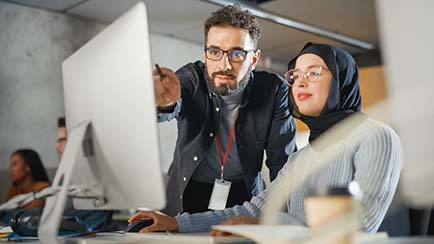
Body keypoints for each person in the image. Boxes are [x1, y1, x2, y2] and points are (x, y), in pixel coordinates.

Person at [128, 42, 403, 234]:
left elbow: (362, 220)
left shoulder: (375, 135)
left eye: (315, 72)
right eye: (295, 75)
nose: (301, 82)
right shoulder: (303, 156)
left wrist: (273, 227)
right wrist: (176, 223)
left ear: (342, 81)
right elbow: (256, 210)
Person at [154, 4, 297, 216]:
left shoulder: (274, 91)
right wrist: (165, 102)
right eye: (214, 52)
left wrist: (288, 217)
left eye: (237, 54)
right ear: (205, 54)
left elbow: (282, 163)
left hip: (244, 193)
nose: (225, 65)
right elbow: (173, 105)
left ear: (254, 59)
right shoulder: (191, 78)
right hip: (188, 190)